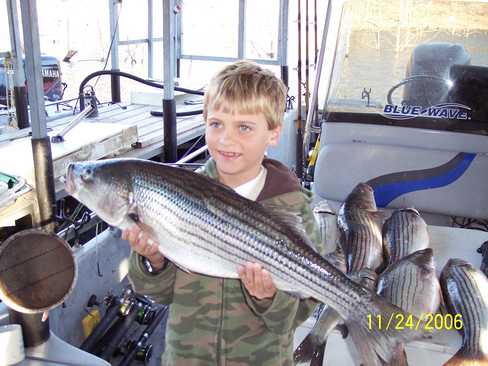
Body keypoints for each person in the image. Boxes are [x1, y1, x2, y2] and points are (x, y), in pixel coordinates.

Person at [124, 60, 324, 366]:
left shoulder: (294, 209)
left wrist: (268, 297)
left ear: (273, 133)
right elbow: (160, 294)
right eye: (216, 123)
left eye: (244, 127)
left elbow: (294, 317)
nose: (226, 139)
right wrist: (153, 261)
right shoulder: (177, 197)